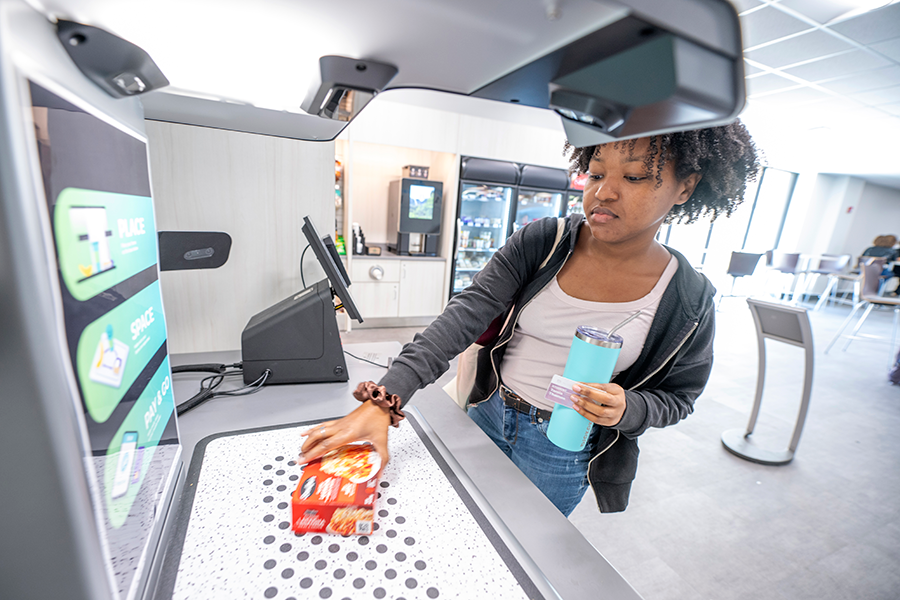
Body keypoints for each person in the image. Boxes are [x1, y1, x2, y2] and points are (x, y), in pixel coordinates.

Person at [301, 122, 760, 516]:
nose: (604, 190)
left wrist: (629, 408)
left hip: (563, 449)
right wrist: (385, 398)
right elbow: (463, 316)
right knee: (455, 521)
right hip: (488, 412)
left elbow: (679, 398)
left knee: (519, 550)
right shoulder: (544, 241)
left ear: (685, 186)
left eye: (636, 176)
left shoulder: (688, 297)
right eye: (596, 172)